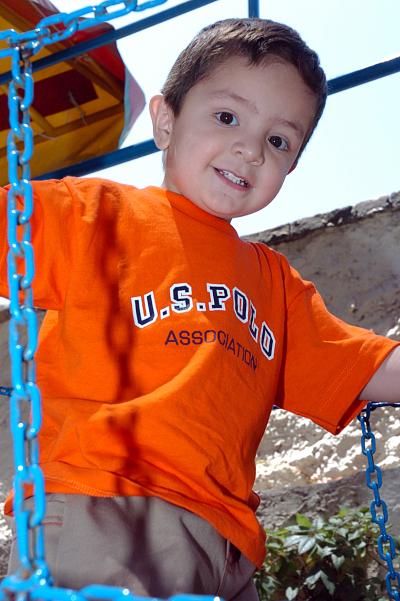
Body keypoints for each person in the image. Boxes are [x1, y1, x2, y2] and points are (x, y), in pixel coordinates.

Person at [2, 17, 400, 601]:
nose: (249, 147)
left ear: (292, 166)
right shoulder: (93, 214)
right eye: (227, 117)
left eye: (278, 140)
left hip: (225, 539)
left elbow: (363, 366)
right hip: (107, 502)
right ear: (166, 120)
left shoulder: (273, 282)